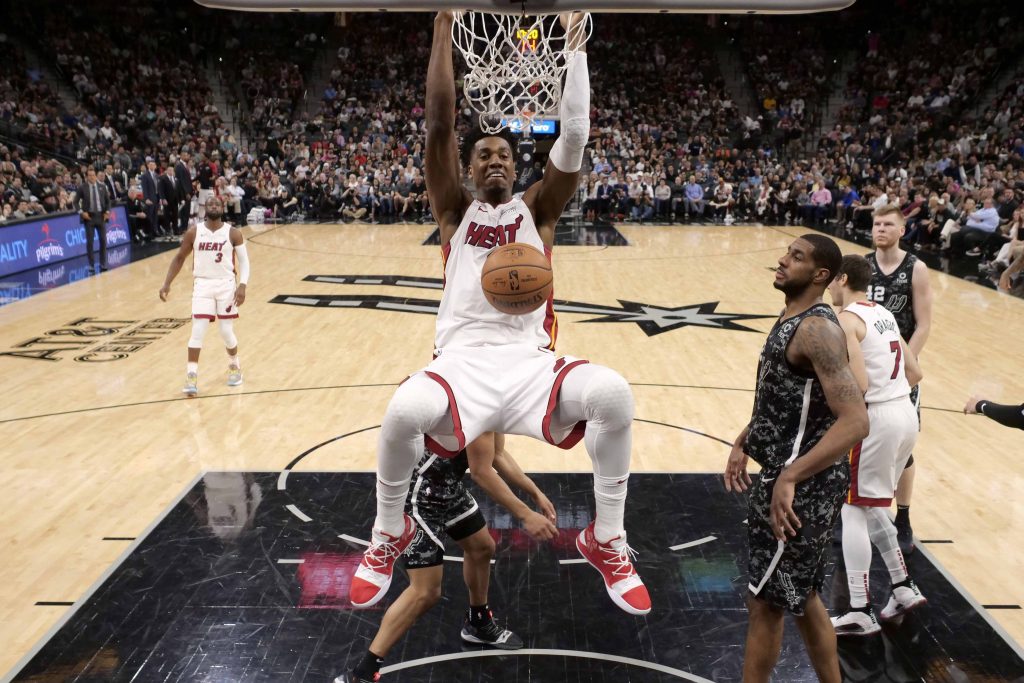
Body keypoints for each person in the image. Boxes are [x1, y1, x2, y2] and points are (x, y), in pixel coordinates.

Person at [351, 10, 651, 617]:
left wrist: (573, 48)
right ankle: (389, 531)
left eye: (503, 155)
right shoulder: (455, 212)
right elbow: (439, 125)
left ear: (517, 169)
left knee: (615, 396)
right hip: (461, 366)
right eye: (482, 154)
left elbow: (574, 137)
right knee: (405, 409)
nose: (493, 161)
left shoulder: (537, 212)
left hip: (530, 365)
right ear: (467, 168)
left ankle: (607, 538)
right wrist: (440, 25)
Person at [724, 234, 868, 683]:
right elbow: (786, 397)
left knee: (766, 602)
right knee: (801, 595)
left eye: (796, 257)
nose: (782, 260)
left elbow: (855, 420)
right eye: (787, 252)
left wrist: (789, 476)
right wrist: (746, 438)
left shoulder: (817, 329)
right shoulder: (794, 317)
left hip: (801, 486)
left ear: (821, 275)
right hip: (794, 474)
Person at [336, 433, 557, 683]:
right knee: (425, 592)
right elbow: (481, 472)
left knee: (482, 547)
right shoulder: (480, 401)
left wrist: (535, 492)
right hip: (418, 494)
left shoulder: (497, 401)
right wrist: (525, 514)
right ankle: (362, 673)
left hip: (446, 486)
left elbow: (497, 454)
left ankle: (478, 622)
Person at [827, 254, 927, 636]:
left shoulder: (845, 320)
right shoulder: (883, 313)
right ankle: (902, 587)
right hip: (905, 415)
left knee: (852, 508)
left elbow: (859, 387)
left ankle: (858, 609)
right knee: (871, 508)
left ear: (841, 279)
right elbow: (916, 371)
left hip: (879, 420)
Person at [865, 204, 933, 553]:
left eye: (888, 224)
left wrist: (905, 362)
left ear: (901, 230)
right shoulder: (861, 266)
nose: (880, 229)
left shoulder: (915, 269)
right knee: (859, 440)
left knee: (903, 448)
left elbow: (923, 324)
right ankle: (857, 512)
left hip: (901, 369)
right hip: (867, 369)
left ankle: (903, 516)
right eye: (877, 223)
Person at [158, 196, 249, 396]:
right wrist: (167, 283)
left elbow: (244, 261)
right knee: (197, 331)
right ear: (205, 209)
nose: (214, 206)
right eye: (210, 204)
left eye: (217, 204)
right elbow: (180, 258)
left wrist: (242, 285)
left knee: (226, 332)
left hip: (226, 285)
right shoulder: (194, 232)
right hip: (202, 285)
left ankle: (234, 365)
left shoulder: (233, 233)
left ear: (222, 208)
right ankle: (191, 376)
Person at [75, 167, 111, 273]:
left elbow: (108, 202)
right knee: (90, 242)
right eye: (89, 175)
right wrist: (81, 212)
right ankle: (91, 265)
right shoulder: (82, 187)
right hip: (89, 218)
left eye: (93, 175)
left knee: (103, 241)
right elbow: (75, 202)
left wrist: (108, 212)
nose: (92, 177)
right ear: (86, 177)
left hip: (101, 216)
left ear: (95, 176)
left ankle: (103, 263)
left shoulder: (102, 186)